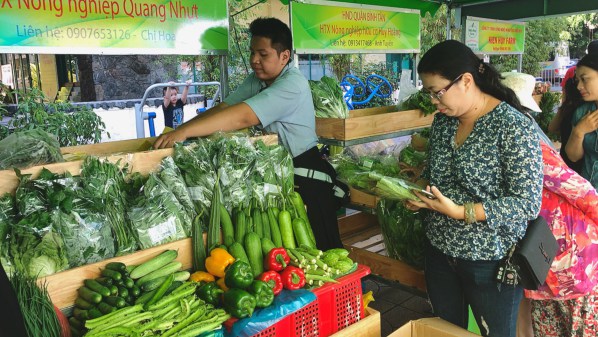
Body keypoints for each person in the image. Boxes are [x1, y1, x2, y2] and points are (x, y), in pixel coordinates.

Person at [153, 17, 343, 250]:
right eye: (252, 53)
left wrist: (184, 133)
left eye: (263, 54)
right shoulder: (258, 80)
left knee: (325, 249)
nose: (254, 60)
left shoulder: (292, 84)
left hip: (306, 172)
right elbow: (224, 108)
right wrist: (182, 130)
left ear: (284, 56)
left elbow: (242, 116)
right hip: (279, 173)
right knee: (294, 251)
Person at [406, 40, 543, 337]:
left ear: (466, 80)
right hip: (440, 251)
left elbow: (527, 202)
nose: (433, 101)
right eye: (428, 92)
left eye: (436, 91)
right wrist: (421, 194)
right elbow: (435, 174)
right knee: (444, 330)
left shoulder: (513, 126)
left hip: (490, 260)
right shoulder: (443, 122)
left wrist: (460, 211)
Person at [502, 72, 598, 337]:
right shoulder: (525, 139)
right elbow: (580, 190)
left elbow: (578, 189)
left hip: (551, 256)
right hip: (559, 256)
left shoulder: (521, 140)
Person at [565, 53, 598, 188]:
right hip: (589, 193)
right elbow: (573, 157)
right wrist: (579, 131)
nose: (579, 86)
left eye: (584, 79)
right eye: (577, 80)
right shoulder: (582, 113)